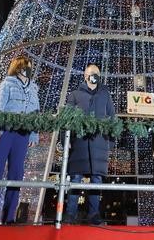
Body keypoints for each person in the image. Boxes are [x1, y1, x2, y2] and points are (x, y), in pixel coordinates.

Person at [0, 55, 40, 224]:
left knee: (16, 174)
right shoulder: (7, 84)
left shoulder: (33, 89)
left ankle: (9, 217)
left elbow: (35, 113)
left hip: (22, 135)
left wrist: (34, 133)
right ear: (18, 67)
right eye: (25, 66)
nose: (27, 69)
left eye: (29, 66)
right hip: (4, 132)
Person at [63, 64, 116, 225]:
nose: (93, 75)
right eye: (90, 73)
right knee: (76, 178)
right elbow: (67, 118)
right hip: (79, 142)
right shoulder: (75, 94)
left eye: (96, 73)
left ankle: (94, 214)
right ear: (85, 76)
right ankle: (70, 214)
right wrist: (65, 141)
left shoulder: (105, 94)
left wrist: (111, 141)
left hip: (99, 143)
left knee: (96, 180)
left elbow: (112, 118)